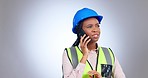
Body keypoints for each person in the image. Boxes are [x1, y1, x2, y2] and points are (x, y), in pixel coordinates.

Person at [62, 7, 126, 78]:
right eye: (89, 26)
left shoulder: (108, 53)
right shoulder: (69, 53)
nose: (95, 29)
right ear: (80, 32)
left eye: (97, 25)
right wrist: (85, 56)